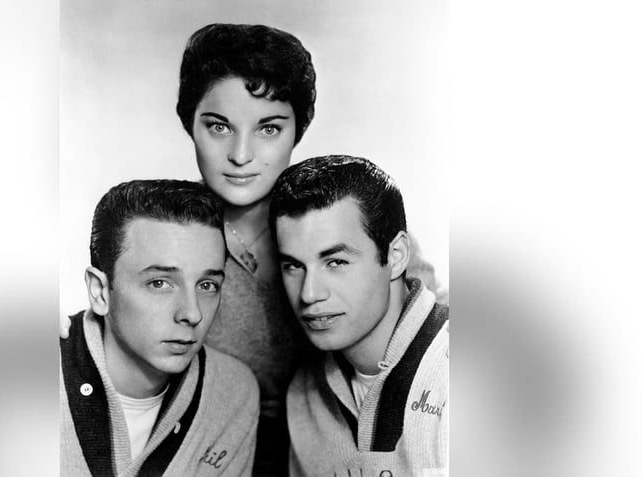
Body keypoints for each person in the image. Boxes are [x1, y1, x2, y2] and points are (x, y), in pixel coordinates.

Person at [63, 23, 447, 475]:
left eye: (268, 128)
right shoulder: (174, 232)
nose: (242, 154)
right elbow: (119, 310)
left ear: (297, 132)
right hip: (210, 450)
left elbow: (430, 344)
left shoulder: (342, 222)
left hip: (336, 447)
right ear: (190, 125)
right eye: (219, 126)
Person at [60, 180, 259, 476]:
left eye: (207, 285)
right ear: (101, 291)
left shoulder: (232, 391)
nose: (192, 313)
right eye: (159, 283)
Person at [270, 156, 449, 477]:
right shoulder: (303, 393)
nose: (309, 294)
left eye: (335, 262)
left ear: (396, 257)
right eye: (293, 266)